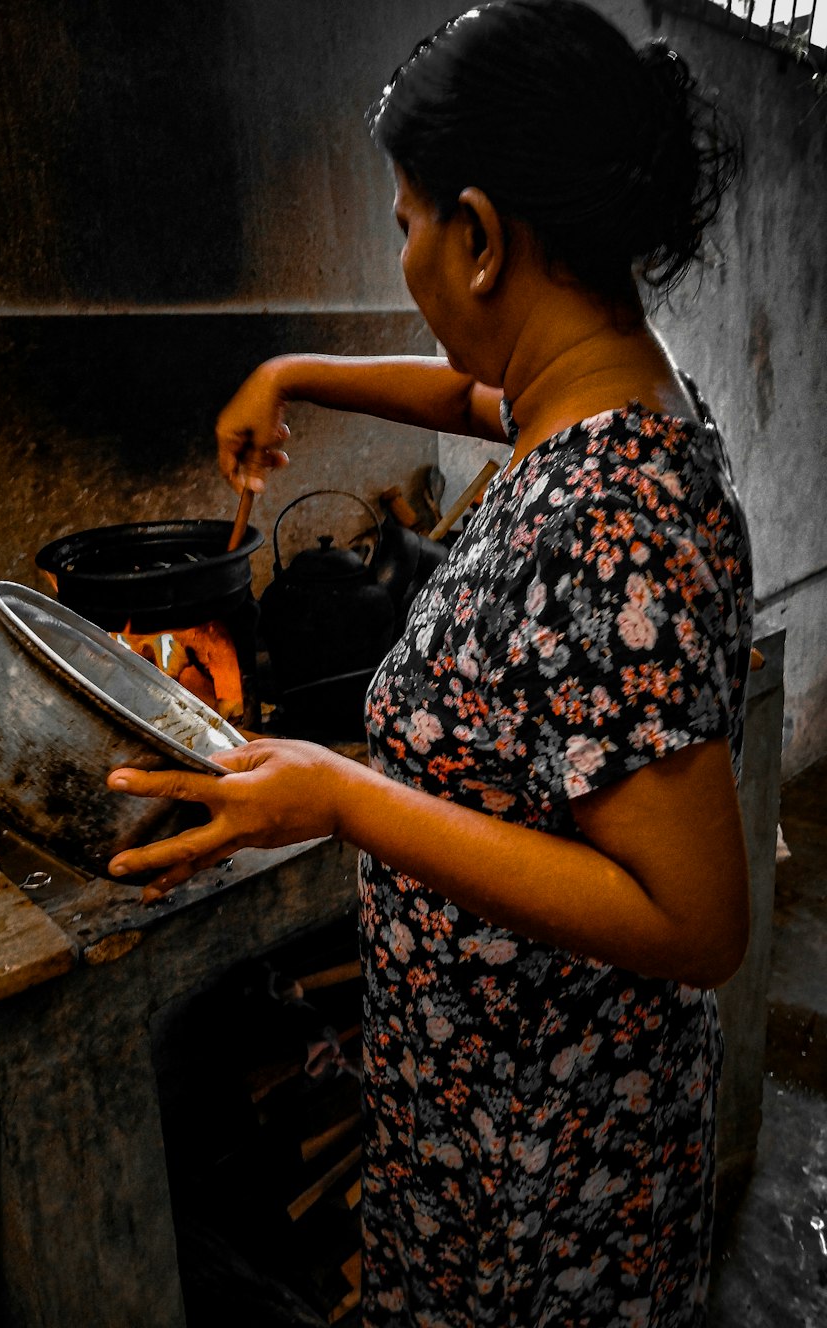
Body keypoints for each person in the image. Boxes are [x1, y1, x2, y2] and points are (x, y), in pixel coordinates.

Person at [107, 2, 752, 1323]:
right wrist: (289, 372)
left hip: (549, 1171)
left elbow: (697, 921)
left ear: (481, 234)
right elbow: (473, 398)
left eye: (405, 226)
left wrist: (346, 799)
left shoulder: (605, 518)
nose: (402, 254)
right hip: (499, 1120)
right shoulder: (609, 397)